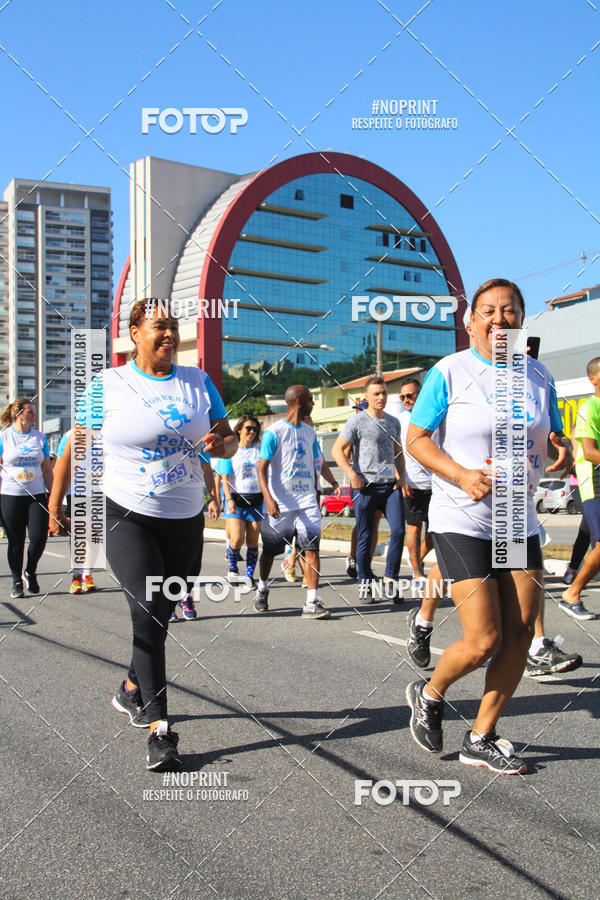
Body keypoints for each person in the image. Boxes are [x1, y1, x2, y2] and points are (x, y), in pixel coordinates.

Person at [49, 298, 236, 772]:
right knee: (149, 612)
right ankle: (161, 731)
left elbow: (228, 436)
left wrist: (223, 443)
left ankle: (133, 686)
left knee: (164, 611)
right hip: (126, 514)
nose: (168, 334)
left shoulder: (199, 382)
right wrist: (56, 503)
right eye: (159, 327)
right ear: (134, 333)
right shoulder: (107, 385)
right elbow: (78, 443)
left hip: (186, 517)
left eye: (173, 326)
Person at [405, 278, 572, 774]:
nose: (500, 320)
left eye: (510, 311)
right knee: (483, 639)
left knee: (520, 634)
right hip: (463, 517)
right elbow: (415, 439)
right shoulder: (450, 372)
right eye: (489, 311)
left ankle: (482, 736)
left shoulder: (539, 375)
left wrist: (558, 453)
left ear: (522, 319)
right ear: (470, 320)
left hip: (515, 519)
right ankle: (431, 692)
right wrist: (461, 474)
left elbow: (552, 436)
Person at [254, 385, 330, 618]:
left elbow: (317, 463)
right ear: (298, 401)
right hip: (281, 503)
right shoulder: (273, 432)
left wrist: (331, 483)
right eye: (310, 399)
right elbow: (261, 467)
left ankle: (311, 601)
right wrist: (268, 499)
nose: (313, 403)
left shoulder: (310, 433)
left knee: (311, 549)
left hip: (306, 501)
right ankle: (263, 587)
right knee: (270, 550)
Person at [332, 376, 406, 601]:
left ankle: (390, 580)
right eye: (376, 394)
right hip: (365, 487)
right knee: (366, 534)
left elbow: (398, 451)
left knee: (399, 531)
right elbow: (337, 450)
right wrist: (352, 475)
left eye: (383, 393)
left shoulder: (394, 421)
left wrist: (402, 477)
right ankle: (364, 582)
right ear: (367, 397)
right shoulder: (357, 422)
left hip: (390, 487)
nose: (381, 397)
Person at [0, 400, 53, 598]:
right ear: (18, 414)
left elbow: (46, 468)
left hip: (36, 495)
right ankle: (16, 581)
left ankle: (30, 570)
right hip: (11, 495)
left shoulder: (39, 437)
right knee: (16, 541)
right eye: (30, 412)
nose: (34, 415)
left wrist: (53, 495)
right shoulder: (4, 437)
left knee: (39, 537)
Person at [560, 357, 600, 619]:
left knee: (588, 535)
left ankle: (573, 575)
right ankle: (572, 592)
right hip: (593, 481)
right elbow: (589, 451)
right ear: (593, 379)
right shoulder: (589, 407)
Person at [170, 457, 220, 622]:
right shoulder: (161, 439)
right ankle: (167, 600)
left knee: (193, 557)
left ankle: (185, 594)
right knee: (168, 554)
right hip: (165, 507)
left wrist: (213, 499)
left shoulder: (196, 437)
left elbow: (206, 470)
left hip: (193, 507)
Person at [397, 377, 435, 590]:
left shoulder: (434, 415)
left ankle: (417, 558)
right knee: (413, 527)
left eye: (410, 395)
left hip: (437, 483)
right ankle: (417, 572)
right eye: (402, 397)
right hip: (412, 483)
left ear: (420, 395)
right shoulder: (399, 421)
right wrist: (400, 478)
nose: (406, 400)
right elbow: (394, 452)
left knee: (437, 531)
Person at [217, 415, 264, 583]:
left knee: (253, 540)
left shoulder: (260, 451)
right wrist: (228, 499)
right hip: (237, 500)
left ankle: (250, 575)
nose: (252, 431)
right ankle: (232, 567)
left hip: (256, 500)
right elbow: (225, 479)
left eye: (255, 429)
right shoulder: (231, 452)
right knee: (237, 538)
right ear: (239, 430)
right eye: (248, 428)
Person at [56, 429, 96, 594]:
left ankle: (88, 574)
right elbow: (60, 465)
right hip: (76, 490)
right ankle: (77, 575)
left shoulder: (105, 433)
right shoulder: (69, 436)